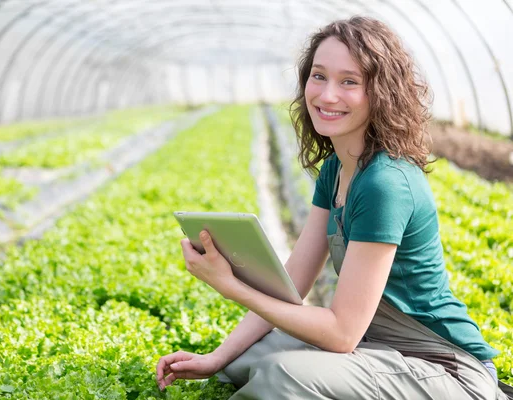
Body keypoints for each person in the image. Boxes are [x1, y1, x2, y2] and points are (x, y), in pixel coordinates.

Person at [156, 16, 513, 400]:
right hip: (378, 348)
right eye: (318, 76)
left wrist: (230, 287)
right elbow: (295, 277)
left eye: (349, 82)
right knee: (244, 360)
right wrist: (216, 357)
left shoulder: (385, 183)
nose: (326, 95)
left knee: (281, 375)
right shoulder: (337, 168)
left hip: (443, 367)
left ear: (382, 92)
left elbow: (342, 334)